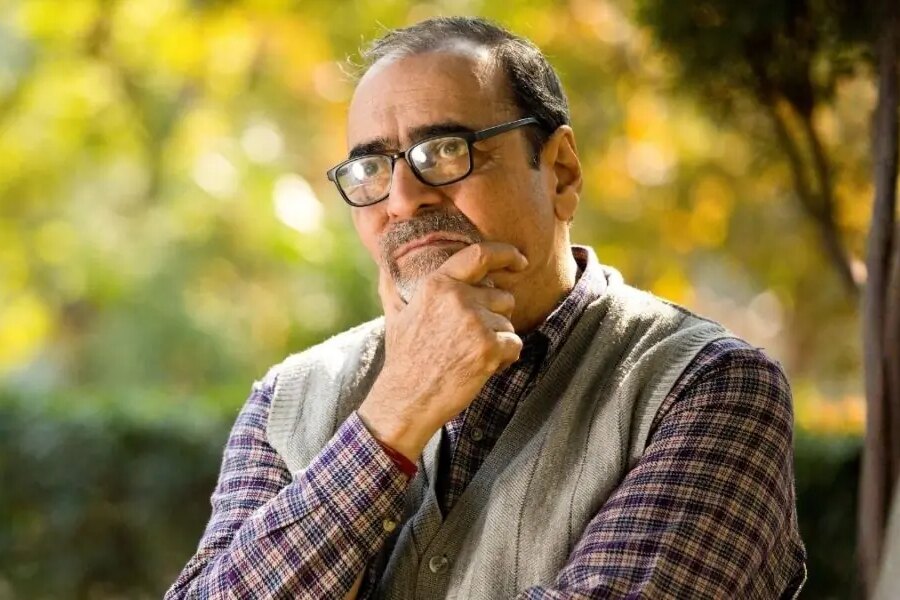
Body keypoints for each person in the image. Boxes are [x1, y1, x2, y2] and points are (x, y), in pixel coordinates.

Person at [167, 16, 806, 599]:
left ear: (560, 173)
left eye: (447, 151)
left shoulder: (708, 387)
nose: (402, 199)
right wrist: (394, 416)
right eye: (371, 169)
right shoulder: (285, 400)